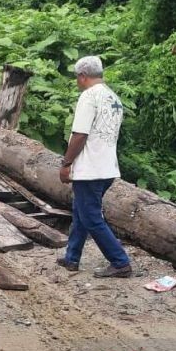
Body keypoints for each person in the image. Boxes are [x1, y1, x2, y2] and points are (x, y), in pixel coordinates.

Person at [56, 56, 131, 277]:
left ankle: (120, 262)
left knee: (91, 218)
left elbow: (80, 134)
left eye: (77, 77)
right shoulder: (112, 97)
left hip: (90, 169)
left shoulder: (89, 97)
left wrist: (66, 163)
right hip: (107, 167)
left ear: (83, 76)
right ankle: (72, 257)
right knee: (81, 213)